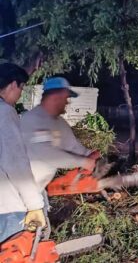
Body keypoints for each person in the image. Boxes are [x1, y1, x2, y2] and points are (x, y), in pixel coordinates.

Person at [20, 77, 97, 191]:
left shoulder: (60, 123)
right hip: (18, 189)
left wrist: (90, 155)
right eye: (65, 98)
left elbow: (73, 146)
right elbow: (47, 154)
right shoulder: (32, 119)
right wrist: (84, 162)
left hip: (38, 188)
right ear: (55, 97)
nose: (67, 102)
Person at [0, 63, 45, 242]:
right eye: (21, 88)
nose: (19, 95)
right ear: (12, 85)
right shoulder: (4, 112)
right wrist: (34, 205)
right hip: (5, 207)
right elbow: (16, 163)